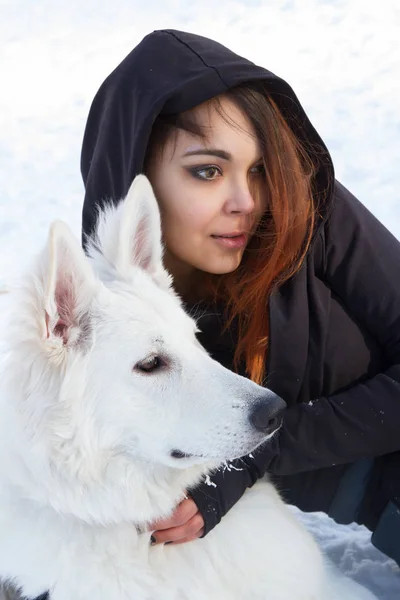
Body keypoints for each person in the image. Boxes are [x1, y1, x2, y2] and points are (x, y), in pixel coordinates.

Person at [80, 29, 400, 566]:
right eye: (207, 171)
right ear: (133, 173)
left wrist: (248, 461)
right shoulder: (107, 327)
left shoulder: (306, 219)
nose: (247, 201)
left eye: (257, 169)